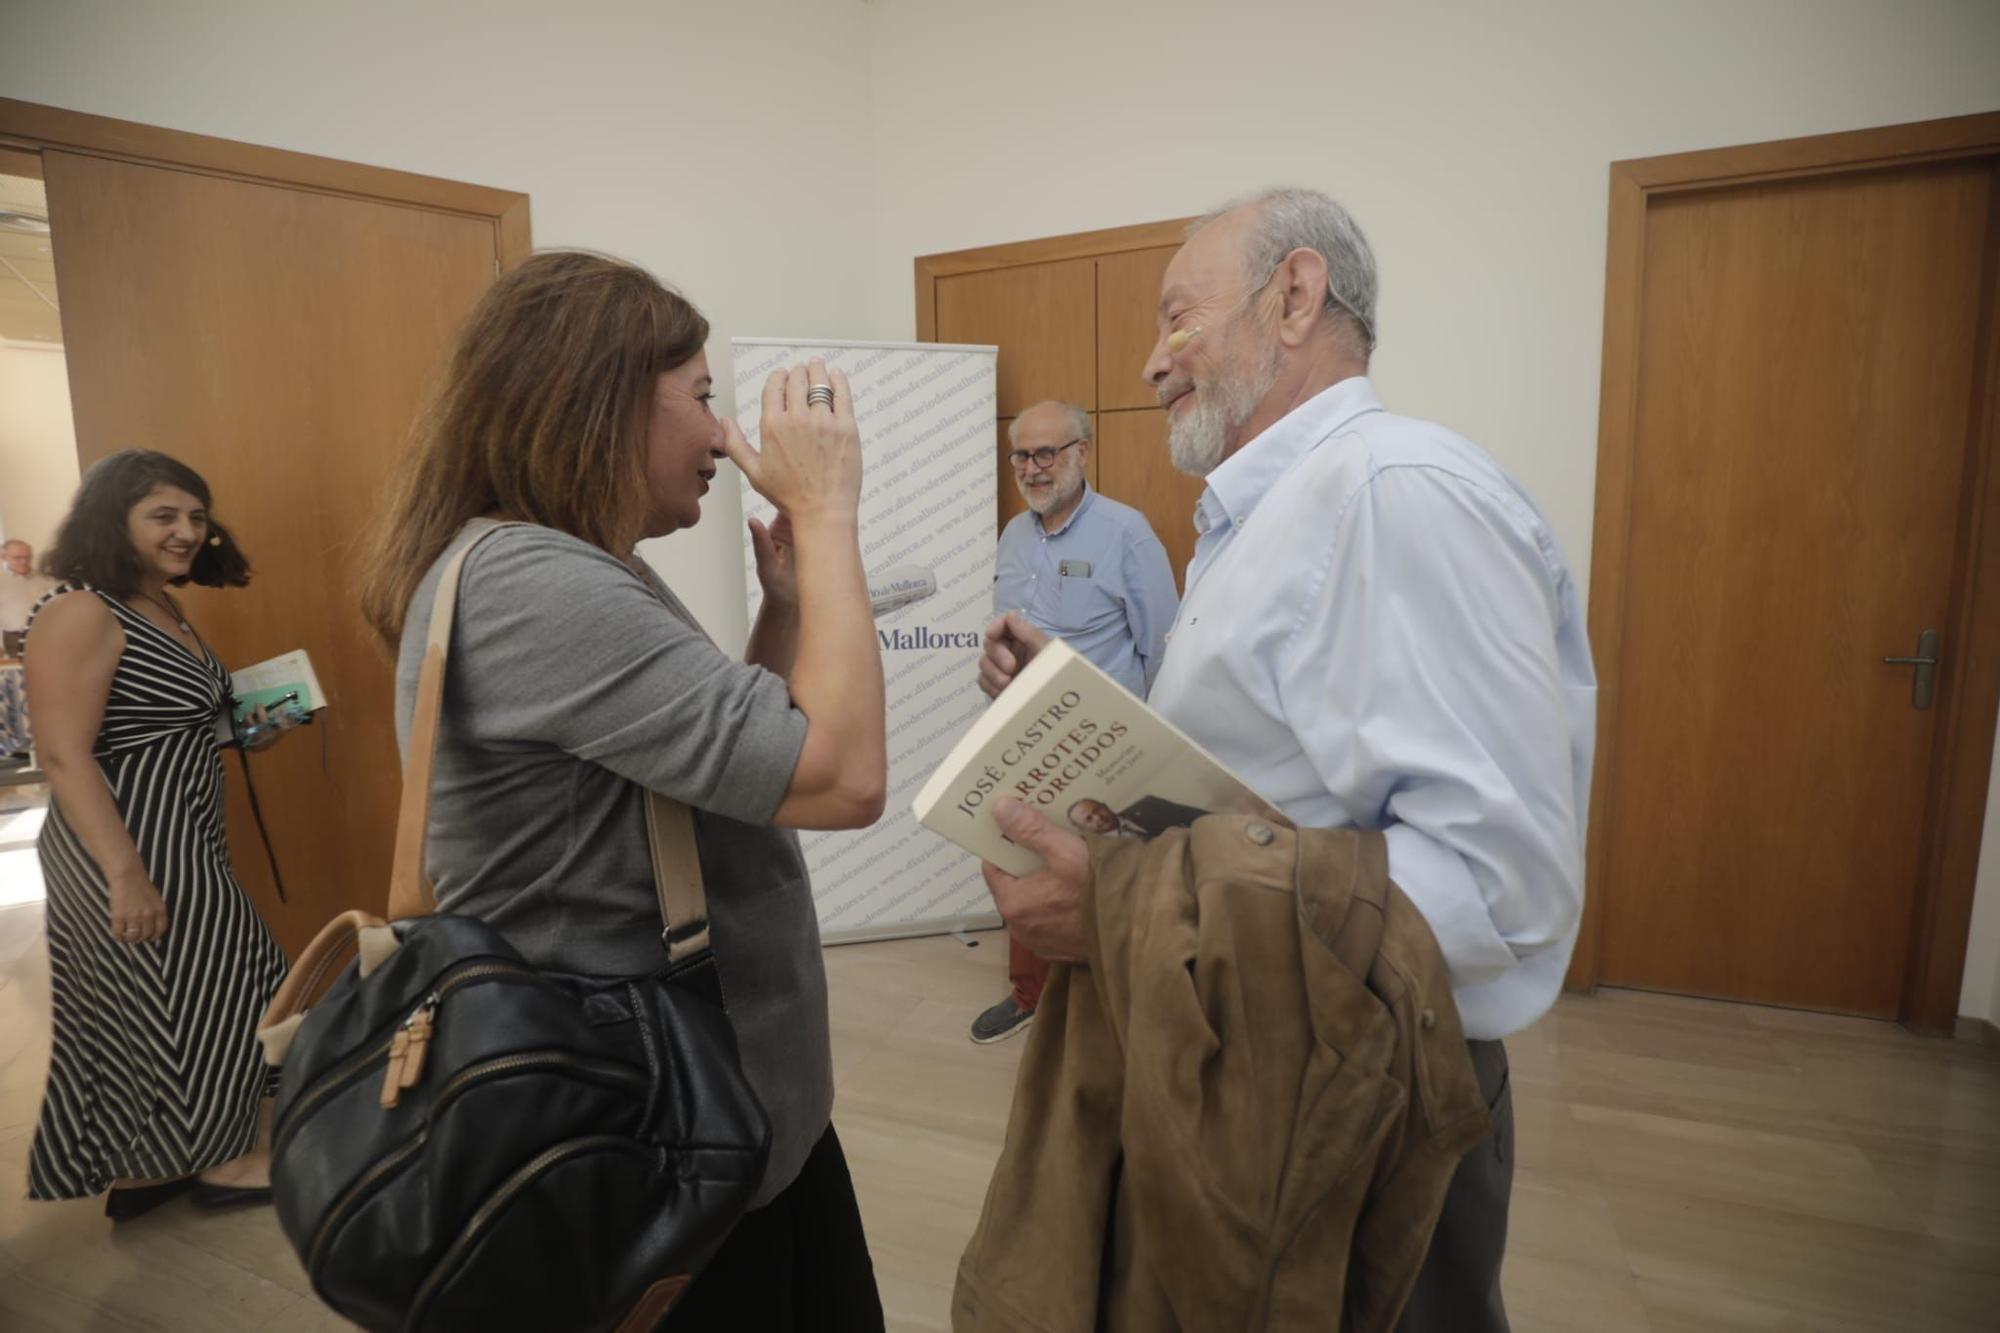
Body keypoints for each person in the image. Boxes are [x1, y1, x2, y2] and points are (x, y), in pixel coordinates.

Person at [975, 187, 1596, 1333]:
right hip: (1257, 1062)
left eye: (1176, 319)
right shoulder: (1258, 518)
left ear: (1295, 296)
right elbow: (1268, 785)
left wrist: (1118, 901)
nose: (1152, 364)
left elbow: (1498, 902)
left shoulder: (1395, 498)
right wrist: (1083, 716)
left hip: (1361, 1106)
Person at [359, 251, 887, 1330]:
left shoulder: (569, 566)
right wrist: (829, 514)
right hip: (660, 1124)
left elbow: (733, 765)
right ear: (597, 405)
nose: (720, 433)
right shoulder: (537, 585)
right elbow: (841, 778)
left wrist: (785, 605)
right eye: (697, 396)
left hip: (708, 1109)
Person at [23, 450, 295, 1219]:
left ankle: (150, 1168)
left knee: (188, 989)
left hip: (181, 833)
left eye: (197, 516)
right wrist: (123, 872)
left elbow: (154, 729)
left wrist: (242, 733)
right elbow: (63, 754)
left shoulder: (160, 607)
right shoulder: (82, 609)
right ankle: (227, 1159)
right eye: (164, 515)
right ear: (117, 520)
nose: (186, 532)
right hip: (124, 842)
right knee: (210, 987)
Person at [972, 399, 1179, 1044]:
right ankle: (1030, 995)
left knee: (1107, 881)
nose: (1032, 469)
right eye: (1021, 456)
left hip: (1104, 742)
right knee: (1021, 857)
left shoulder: (1127, 534)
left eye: (1046, 453)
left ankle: (1116, 1005)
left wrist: (1147, 746)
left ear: (1083, 453)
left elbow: (1165, 647)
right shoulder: (1012, 534)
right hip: (1025, 733)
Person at [2, 539, 59, 634]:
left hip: (48, 631)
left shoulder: (45, 577)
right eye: (17, 558)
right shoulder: (2, 582)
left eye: (27, 557)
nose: (23, 562)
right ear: (3, 557)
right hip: (15, 636)